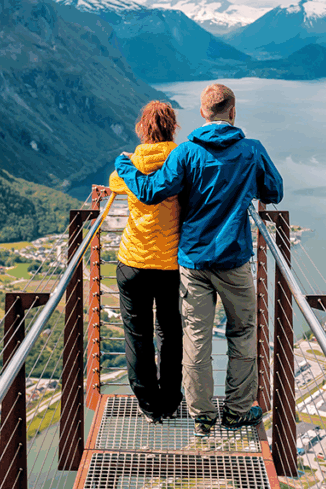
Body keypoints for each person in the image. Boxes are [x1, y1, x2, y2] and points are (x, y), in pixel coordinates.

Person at [114, 84, 283, 436]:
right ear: (232, 112)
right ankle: (237, 411)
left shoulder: (186, 153)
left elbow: (149, 191)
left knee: (195, 336)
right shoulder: (251, 151)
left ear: (203, 113)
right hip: (234, 259)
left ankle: (202, 416)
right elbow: (274, 191)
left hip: (192, 260)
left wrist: (125, 166)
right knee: (243, 331)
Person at [108, 100, 184, 424]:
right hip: (168, 264)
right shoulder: (182, 162)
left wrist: (128, 164)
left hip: (133, 262)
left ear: (143, 129)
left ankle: (149, 404)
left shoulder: (133, 163)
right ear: (172, 127)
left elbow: (114, 183)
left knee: (136, 335)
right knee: (169, 331)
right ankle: (170, 399)